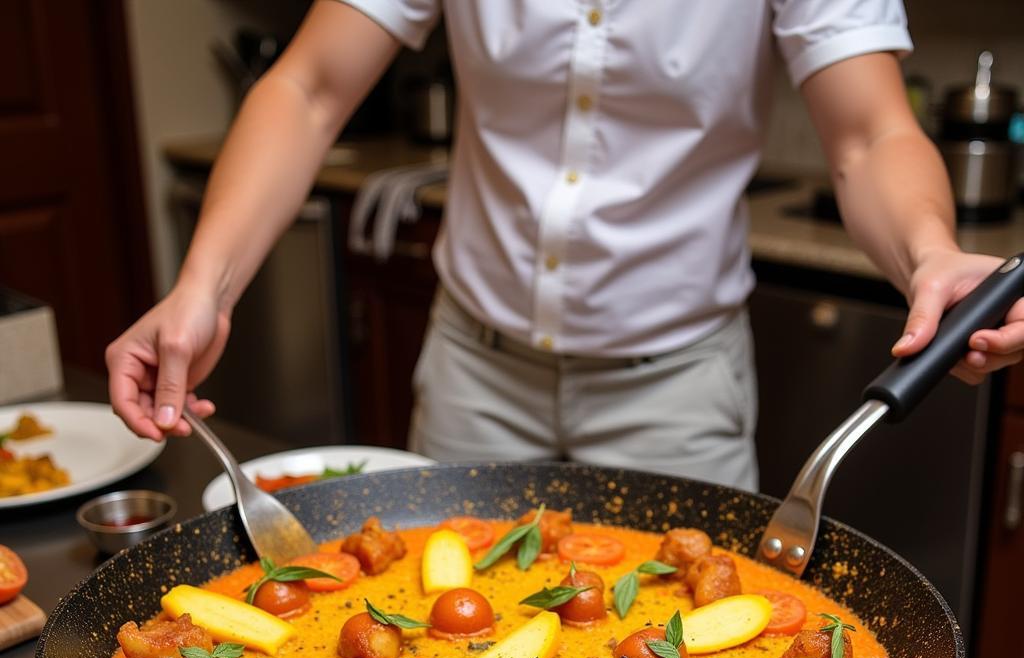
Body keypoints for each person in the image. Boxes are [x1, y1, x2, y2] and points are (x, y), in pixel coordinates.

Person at [107, 1, 1024, 490]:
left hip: (674, 392)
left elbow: (869, 137)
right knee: (443, 657)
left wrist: (928, 252)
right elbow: (307, 88)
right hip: (476, 375)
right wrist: (204, 287)